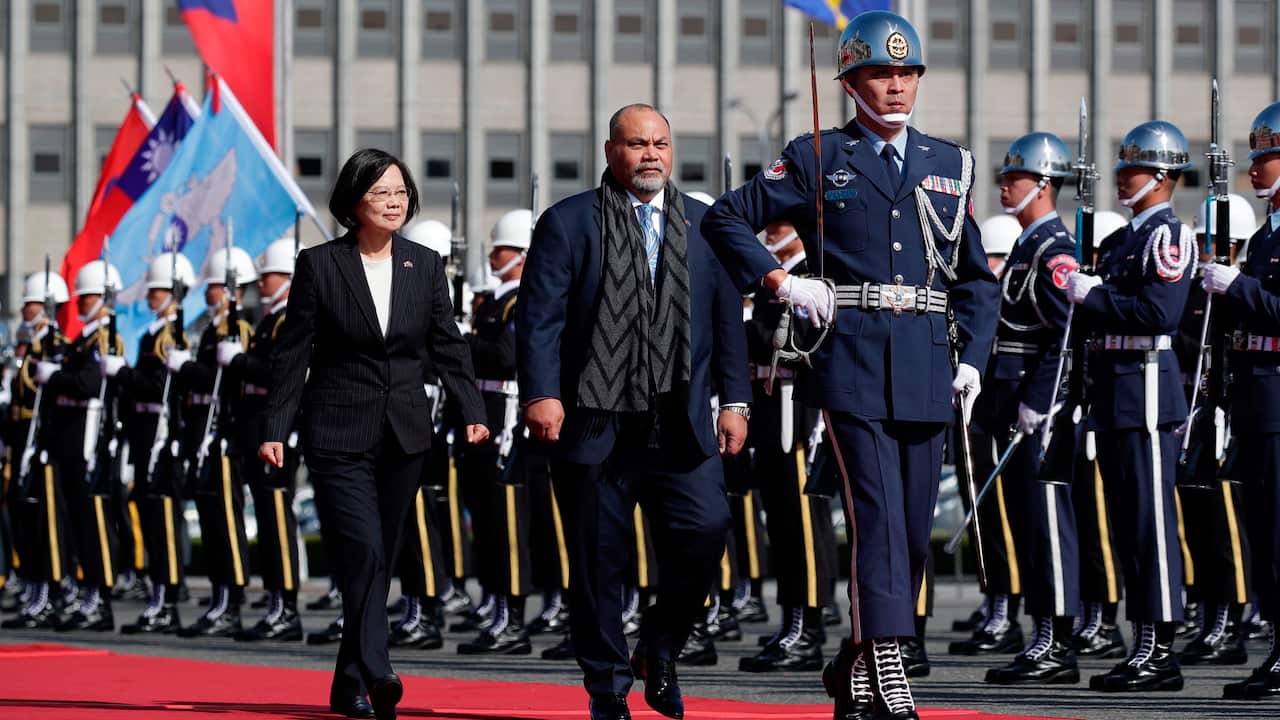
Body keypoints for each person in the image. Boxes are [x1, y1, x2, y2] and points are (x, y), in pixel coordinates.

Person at [701, 10, 998, 719]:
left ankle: (855, 658)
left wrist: (973, 359)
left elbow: (976, 281)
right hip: (852, 360)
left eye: (907, 74)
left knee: (914, 525)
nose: (896, 87)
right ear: (849, 82)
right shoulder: (817, 156)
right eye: (880, 74)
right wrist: (782, 281)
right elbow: (724, 218)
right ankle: (888, 665)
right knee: (877, 517)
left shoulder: (949, 165)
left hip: (928, 363)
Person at [516, 103, 750, 720]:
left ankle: (661, 645)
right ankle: (608, 688)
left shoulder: (705, 224)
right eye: (637, 143)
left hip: (680, 420)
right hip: (595, 420)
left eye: (660, 144)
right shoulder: (569, 222)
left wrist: (735, 401)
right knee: (598, 563)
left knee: (706, 530)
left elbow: (727, 321)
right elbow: (540, 318)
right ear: (610, 152)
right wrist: (541, 393)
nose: (650, 154)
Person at [261, 148, 488, 720]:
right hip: (338, 431)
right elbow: (293, 353)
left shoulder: (424, 264)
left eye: (401, 192)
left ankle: (348, 683)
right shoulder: (320, 265)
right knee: (362, 548)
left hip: (404, 432)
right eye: (381, 192)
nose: (394, 202)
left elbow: (448, 344)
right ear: (353, 202)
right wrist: (276, 427)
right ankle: (378, 667)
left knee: (379, 556)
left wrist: (472, 409)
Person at [1064, 120, 1194, 692]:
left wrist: (1096, 295)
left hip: (1146, 392)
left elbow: (1160, 314)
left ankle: (1160, 648)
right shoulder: (1120, 241)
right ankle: (1142, 641)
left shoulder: (1167, 237)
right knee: (1125, 524)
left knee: (1151, 524)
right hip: (1115, 391)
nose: (1122, 178)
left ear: (1161, 178)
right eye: (1121, 168)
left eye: (1133, 169)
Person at [974, 132, 1082, 685]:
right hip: (1011, 403)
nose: (1004, 185)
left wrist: (1040, 401)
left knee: (1046, 525)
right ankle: (1043, 634)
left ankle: (1057, 641)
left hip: (1038, 412)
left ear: (1042, 185)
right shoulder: (1026, 245)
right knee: (1026, 523)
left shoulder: (1053, 250)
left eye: (1014, 177)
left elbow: (1066, 337)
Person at [737, 221, 838, 675]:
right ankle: (793, 619)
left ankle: (809, 626)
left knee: (803, 523)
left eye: (777, 227)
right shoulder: (774, 280)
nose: (769, 235)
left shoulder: (812, 274)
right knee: (781, 521)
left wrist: (743, 326)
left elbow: (798, 341)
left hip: (796, 408)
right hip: (770, 403)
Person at [1204, 101, 1280, 701]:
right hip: (1254, 400)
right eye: (1255, 157)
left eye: (1268, 157)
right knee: (1264, 533)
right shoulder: (1261, 238)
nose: (1256, 168)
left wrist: (1241, 287)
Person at [1172, 194, 1257, 664]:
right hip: (1193, 415)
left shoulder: (1239, 289)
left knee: (1227, 530)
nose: (1204, 249)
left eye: (1212, 241)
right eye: (1202, 240)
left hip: (1225, 414)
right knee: (1199, 526)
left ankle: (1231, 621)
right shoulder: (1193, 290)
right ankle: (1208, 615)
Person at [457, 209, 536, 656]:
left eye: (502, 249)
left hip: (507, 414)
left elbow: (507, 356)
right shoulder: (493, 303)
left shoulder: (521, 301)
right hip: (484, 413)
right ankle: (498, 611)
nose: (493, 256)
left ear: (521, 255)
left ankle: (513, 620)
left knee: (508, 523)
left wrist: (465, 341)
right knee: (488, 523)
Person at [110, 252, 196, 635]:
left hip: (164, 438)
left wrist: (123, 374)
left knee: (163, 522)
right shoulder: (153, 335)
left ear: (174, 293)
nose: (150, 297)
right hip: (145, 435)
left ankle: (168, 600)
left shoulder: (173, 336)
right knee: (149, 517)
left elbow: (158, 387)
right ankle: (157, 595)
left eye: (157, 291)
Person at [175, 246, 257, 639]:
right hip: (203, 434)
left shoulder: (237, 330)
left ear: (231, 289)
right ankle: (219, 596)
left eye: (213, 286)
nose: (207, 292)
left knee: (226, 520)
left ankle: (232, 601)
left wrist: (188, 368)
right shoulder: (212, 330)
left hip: (224, 434)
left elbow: (225, 383)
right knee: (210, 521)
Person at [41, 260, 127, 632]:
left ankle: (101, 599)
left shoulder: (104, 339)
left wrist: (56, 377)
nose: (80, 302)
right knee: (79, 521)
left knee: (94, 522)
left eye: (87, 296)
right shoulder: (85, 339)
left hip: (91, 439)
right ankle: (88, 591)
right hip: (72, 439)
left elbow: (88, 385)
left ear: (103, 298)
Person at [230, 236, 308, 643]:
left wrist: (240, 362)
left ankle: (286, 608)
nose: (262, 282)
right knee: (266, 518)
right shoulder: (270, 320)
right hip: (258, 427)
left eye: (270, 275)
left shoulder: (289, 321)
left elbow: (281, 373)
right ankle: (276, 602)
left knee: (277, 517)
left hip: (277, 429)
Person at [0, 270, 71, 630]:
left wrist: (45, 442)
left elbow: (59, 402)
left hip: (41, 441)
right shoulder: (32, 347)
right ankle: (33, 591)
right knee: (24, 523)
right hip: (22, 442)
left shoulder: (56, 346)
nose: (25, 308)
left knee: (44, 524)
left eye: (31, 303)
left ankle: (49, 594)